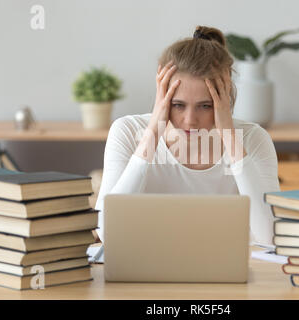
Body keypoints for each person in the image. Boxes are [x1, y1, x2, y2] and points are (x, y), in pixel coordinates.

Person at [95, 25, 280, 248]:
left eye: (205, 105)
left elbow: (270, 235)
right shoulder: (126, 131)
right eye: (178, 105)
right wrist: (152, 133)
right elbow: (107, 231)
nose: (190, 120)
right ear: (161, 94)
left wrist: (230, 137)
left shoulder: (254, 139)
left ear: (224, 97)